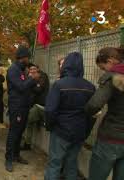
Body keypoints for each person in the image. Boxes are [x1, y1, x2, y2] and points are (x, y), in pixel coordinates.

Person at [44, 52, 95, 180]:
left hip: (61, 131)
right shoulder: (90, 87)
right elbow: (92, 112)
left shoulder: (59, 85)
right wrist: (85, 132)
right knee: (71, 164)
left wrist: (50, 126)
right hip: (79, 131)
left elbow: (50, 110)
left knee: (54, 163)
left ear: (66, 65)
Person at [85, 47, 124, 180]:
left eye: (103, 68)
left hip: (111, 138)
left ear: (110, 61)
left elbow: (94, 104)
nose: (104, 71)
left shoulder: (113, 76)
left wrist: (87, 112)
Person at [5, 45, 40, 172]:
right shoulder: (13, 70)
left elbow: (30, 87)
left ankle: (16, 155)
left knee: (20, 132)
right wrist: (31, 78)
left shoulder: (22, 69)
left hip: (24, 106)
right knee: (14, 133)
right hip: (17, 107)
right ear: (22, 57)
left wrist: (34, 80)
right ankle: (8, 158)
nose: (28, 60)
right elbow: (21, 87)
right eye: (27, 57)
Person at [21, 63, 49, 150]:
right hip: (32, 104)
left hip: (40, 105)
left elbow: (38, 89)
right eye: (31, 69)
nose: (32, 70)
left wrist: (31, 82)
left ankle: (27, 143)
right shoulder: (30, 77)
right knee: (26, 120)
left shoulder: (43, 76)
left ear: (38, 69)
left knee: (28, 119)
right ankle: (27, 143)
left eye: (34, 69)